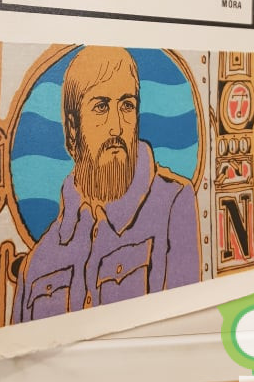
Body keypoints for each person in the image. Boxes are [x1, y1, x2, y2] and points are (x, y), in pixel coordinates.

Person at [12, 45, 200, 324]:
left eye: (127, 106)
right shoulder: (37, 263)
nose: (117, 126)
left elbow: (182, 327)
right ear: (73, 129)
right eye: (101, 107)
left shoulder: (174, 203)